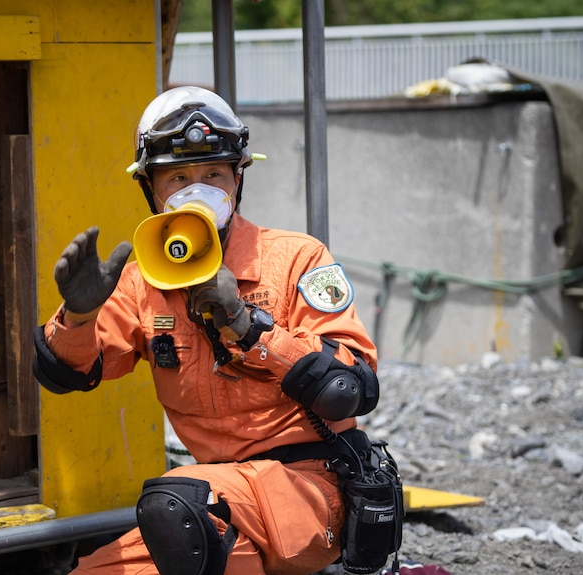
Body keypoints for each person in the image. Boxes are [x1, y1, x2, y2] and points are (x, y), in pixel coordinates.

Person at [33, 86, 381, 575]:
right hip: (213, 500)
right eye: (178, 177)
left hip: (308, 492)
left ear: (238, 177)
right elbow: (68, 372)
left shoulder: (298, 258)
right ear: (150, 188)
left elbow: (351, 388)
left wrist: (247, 324)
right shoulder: (139, 283)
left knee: (175, 506)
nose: (198, 190)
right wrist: (79, 316)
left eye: (213, 173)